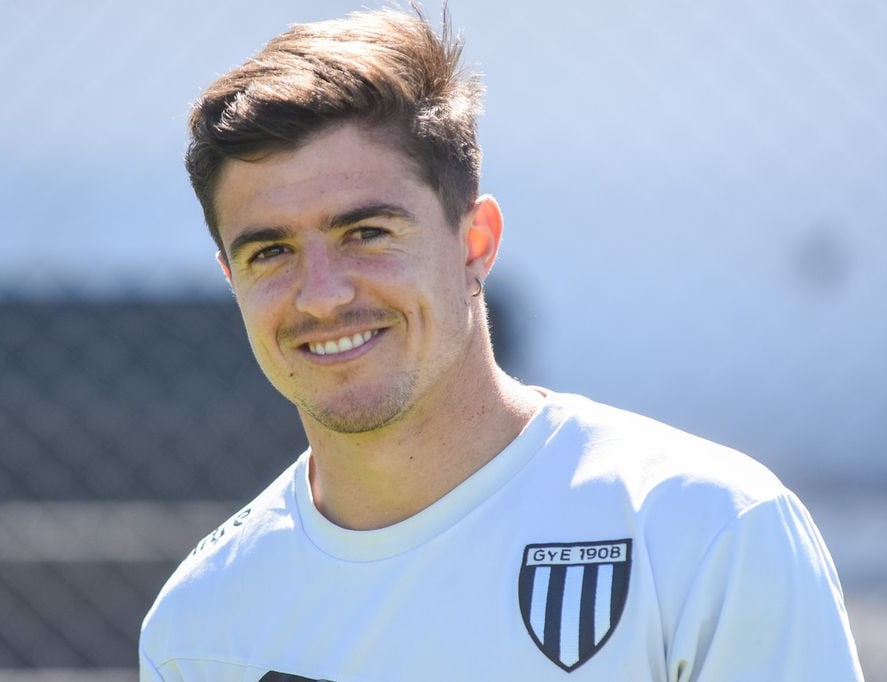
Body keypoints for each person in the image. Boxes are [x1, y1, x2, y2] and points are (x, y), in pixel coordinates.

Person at [139, 7, 863, 681]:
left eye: (366, 233)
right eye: (270, 252)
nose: (323, 294)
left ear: (474, 242)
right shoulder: (201, 623)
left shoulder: (706, 528)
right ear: (231, 279)